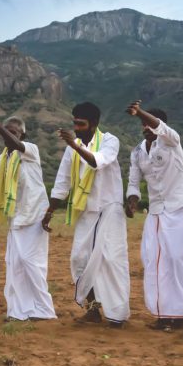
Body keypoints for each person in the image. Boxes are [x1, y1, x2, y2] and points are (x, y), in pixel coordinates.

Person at [46, 102, 130, 326]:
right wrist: (50, 210)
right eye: (74, 123)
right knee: (80, 260)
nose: (77, 128)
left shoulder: (110, 141)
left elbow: (96, 162)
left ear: (94, 124)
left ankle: (117, 315)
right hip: (86, 211)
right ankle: (93, 310)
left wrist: (74, 146)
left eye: (81, 124)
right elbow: (62, 182)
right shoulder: (71, 149)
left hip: (109, 209)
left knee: (111, 262)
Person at [0, 101, 57, 321]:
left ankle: (43, 311)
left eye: (14, 132)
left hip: (34, 216)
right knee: (15, 265)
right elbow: (2, 190)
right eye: (7, 132)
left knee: (33, 264)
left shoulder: (30, 150)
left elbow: (17, 144)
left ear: (23, 135)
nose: (9, 136)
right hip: (15, 218)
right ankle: (19, 311)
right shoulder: (1, 159)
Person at [125, 102, 183, 330]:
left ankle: (181, 313)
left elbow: (161, 128)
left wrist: (141, 114)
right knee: (153, 259)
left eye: (149, 123)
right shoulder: (137, 152)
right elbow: (134, 182)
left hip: (180, 204)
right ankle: (163, 314)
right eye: (143, 124)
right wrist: (132, 201)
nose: (146, 127)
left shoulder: (170, 140)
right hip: (156, 210)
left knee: (176, 257)